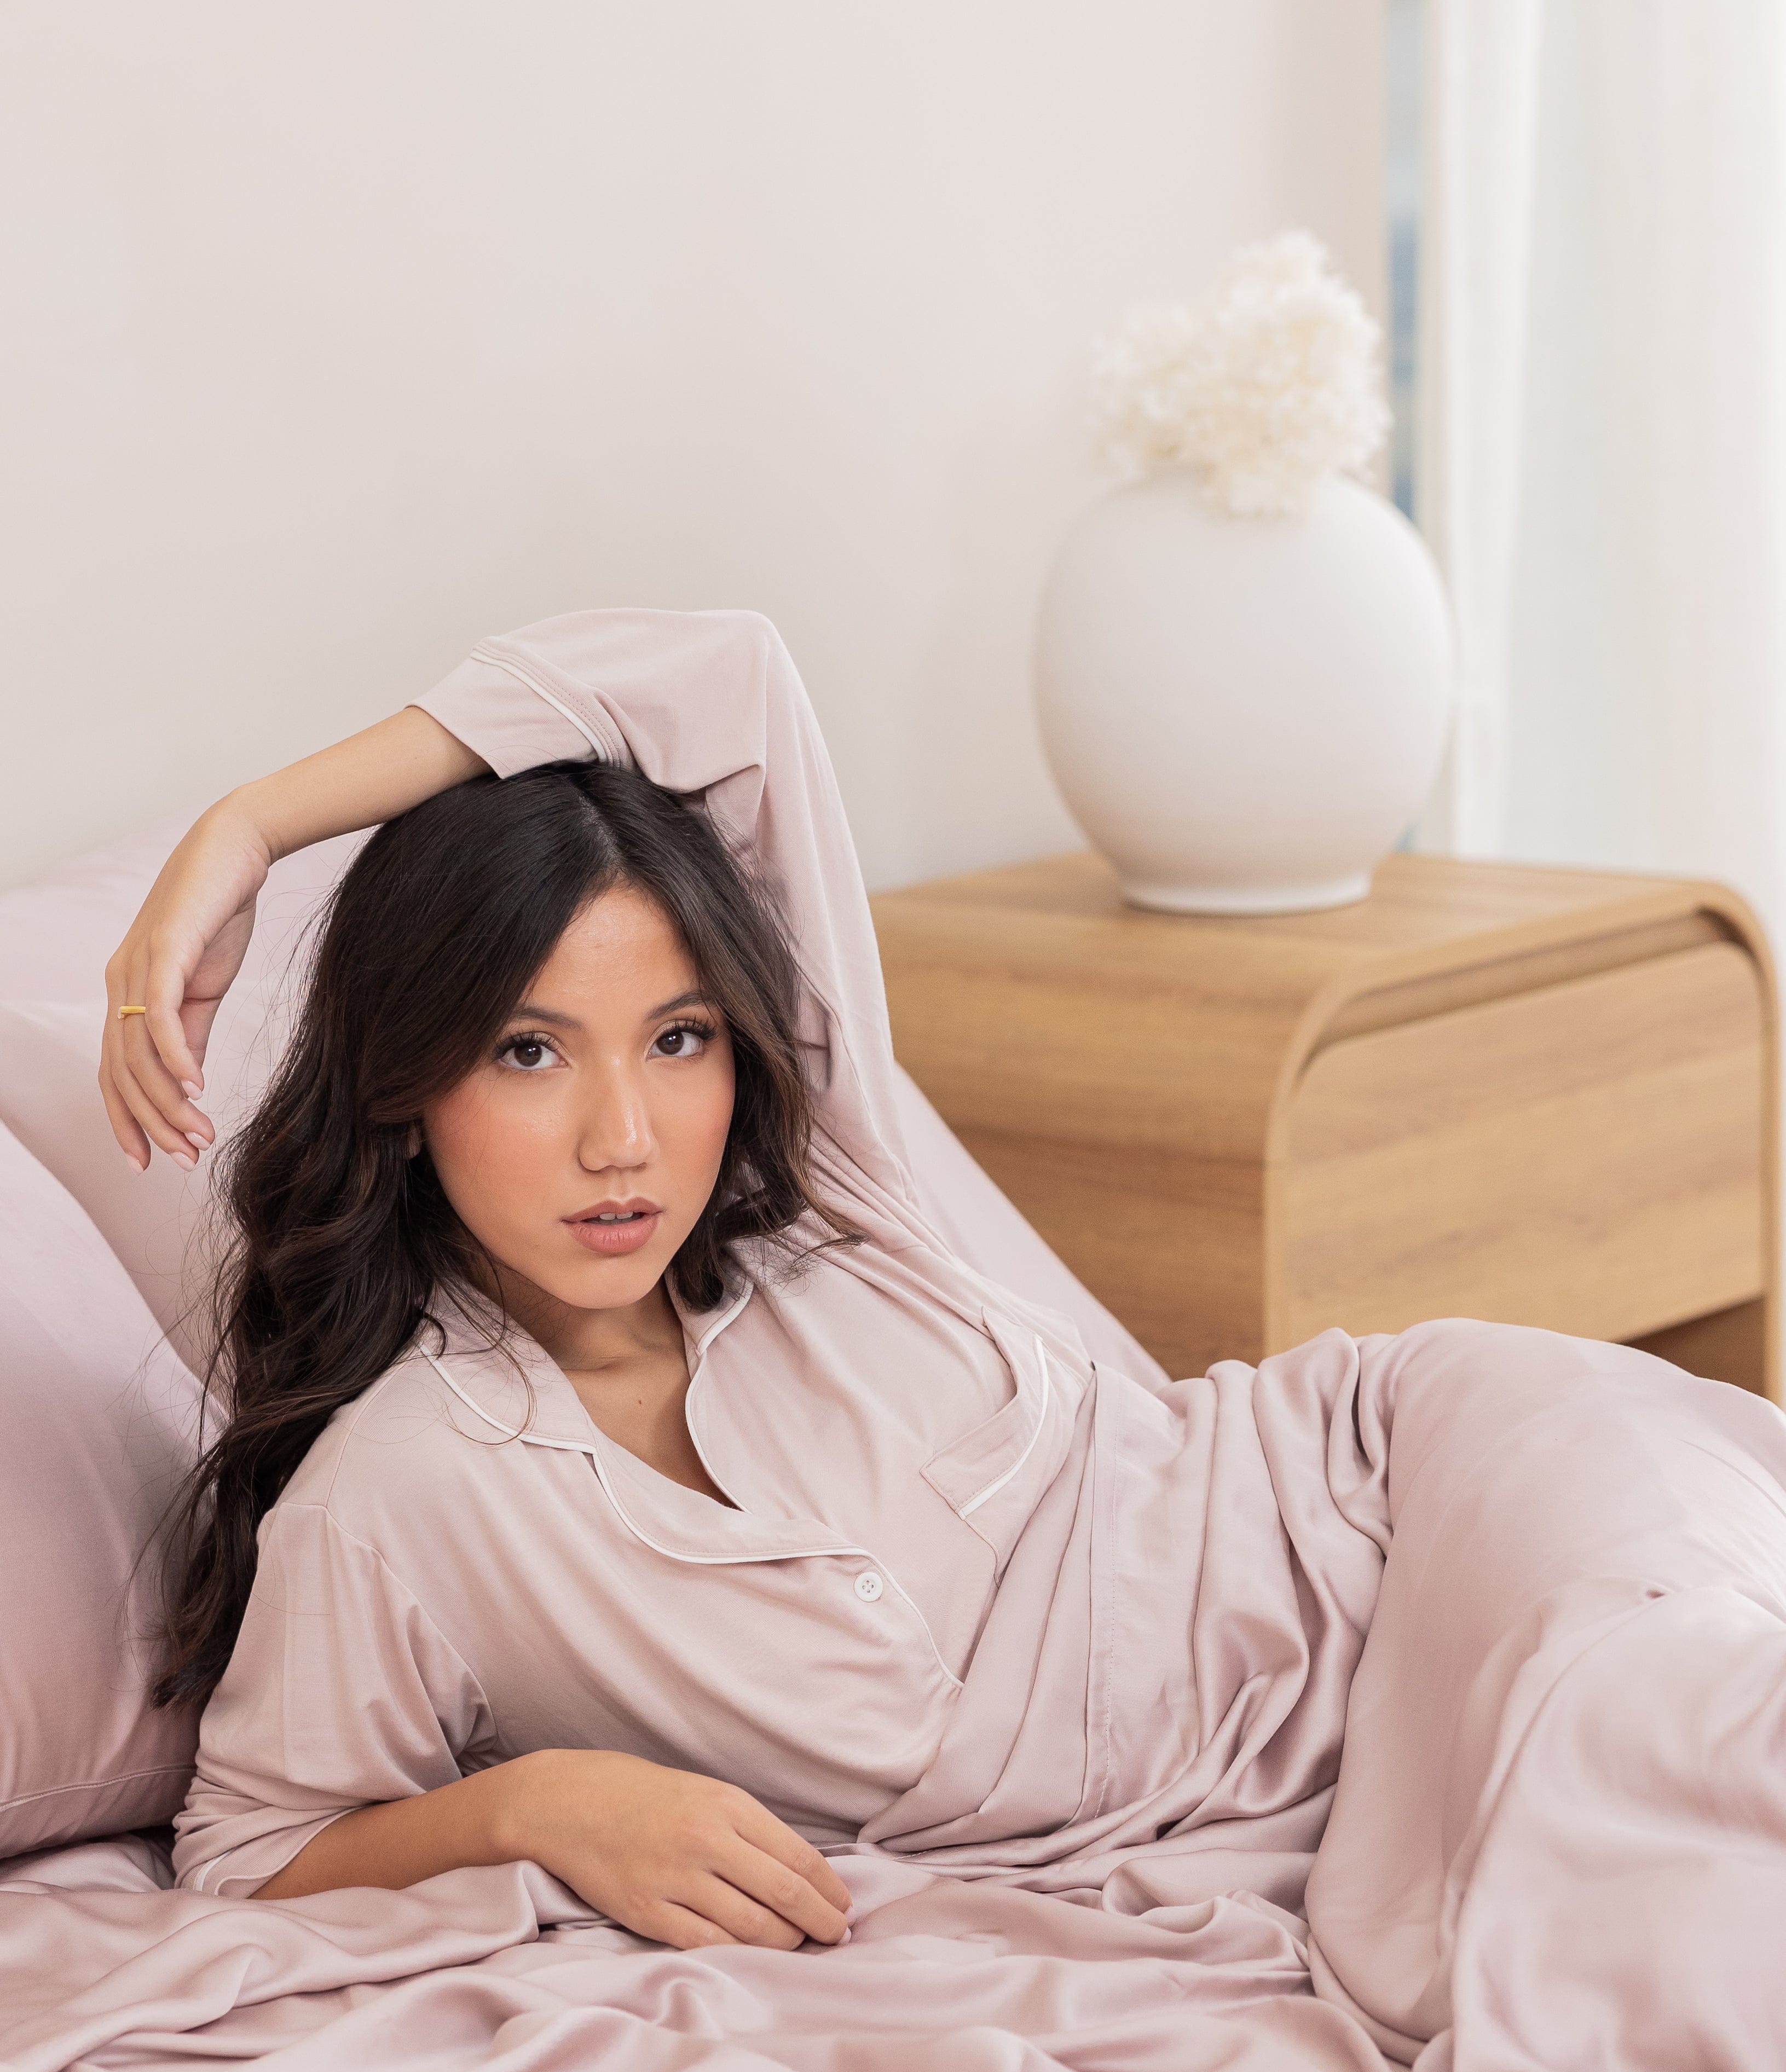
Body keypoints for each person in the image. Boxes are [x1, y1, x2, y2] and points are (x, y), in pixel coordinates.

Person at [103, 610, 1388, 1950]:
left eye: (679, 1039)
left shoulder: (834, 1196)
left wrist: (250, 827)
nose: (624, 1139)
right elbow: (249, 1854)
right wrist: (537, 1806)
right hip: (1312, 1794)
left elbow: (729, 673)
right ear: (404, 1090)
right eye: (529, 1053)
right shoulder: (400, 1490)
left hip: (1372, 1508)